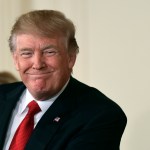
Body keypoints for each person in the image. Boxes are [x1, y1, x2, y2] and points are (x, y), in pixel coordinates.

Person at [0, 10, 127, 150]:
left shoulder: (99, 115)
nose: (37, 64)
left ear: (70, 58)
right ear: (16, 60)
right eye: (27, 53)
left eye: (49, 52)